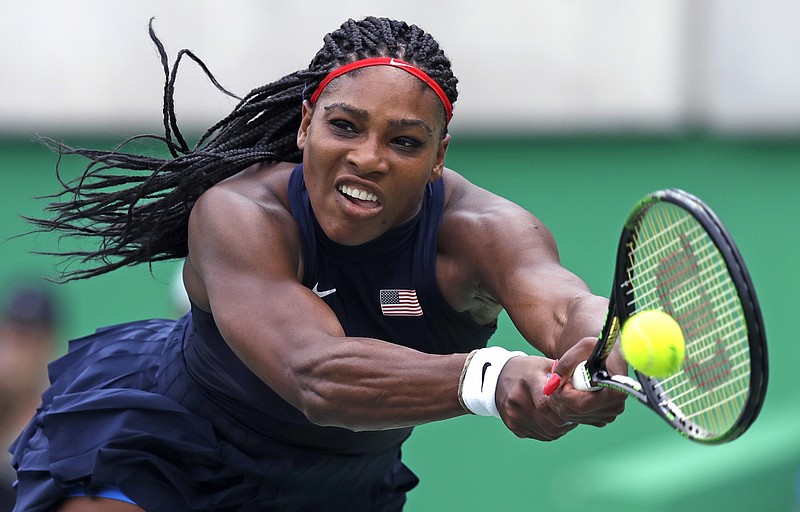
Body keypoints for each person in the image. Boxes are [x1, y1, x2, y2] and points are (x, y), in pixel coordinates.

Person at [10, 16, 627, 512]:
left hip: (339, 486)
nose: (369, 158)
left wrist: (605, 346)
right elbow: (316, 376)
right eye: (344, 127)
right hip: (170, 445)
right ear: (306, 124)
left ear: (439, 157)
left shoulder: (484, 232)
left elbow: (566, 304)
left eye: (404, 142)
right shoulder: (239, 211)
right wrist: (491, 378)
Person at [0, 281, 59, 511]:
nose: (14, 352)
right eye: (9, 336)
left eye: (26, 339)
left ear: (47, 344)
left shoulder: (58, 414)